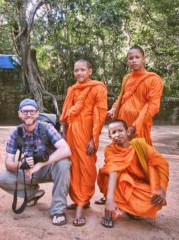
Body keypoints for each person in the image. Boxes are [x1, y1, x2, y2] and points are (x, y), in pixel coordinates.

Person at [0, 98, 71, 226]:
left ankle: (57, 210)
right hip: (28, 172)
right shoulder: (16, 133)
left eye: (31, 111)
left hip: (49, 168)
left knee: (63, 164)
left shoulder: (46, 128)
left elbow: (66, 150)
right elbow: (9, 164)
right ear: (19, 114)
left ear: (37, 113)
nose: (28, 114)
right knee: (2, 178)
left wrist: (40, 164)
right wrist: (22, 164)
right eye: (24, 112)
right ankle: (33, 194)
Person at [60, 59, 107, 226]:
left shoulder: (97, 88)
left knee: (86, 168)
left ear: (90, 71)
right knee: (73, 167)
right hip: (72, 133)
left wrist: (94, 139)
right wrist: (64, 136)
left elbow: (100, 115)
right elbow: (65, 115)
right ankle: (80, 200)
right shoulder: (72, 89)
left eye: (82, 70)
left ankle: (81, 205)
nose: (79, 73)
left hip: (87, 133)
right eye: (76, 70)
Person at [97, 119, 169, 228]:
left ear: (128, 132)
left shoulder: (140, 146)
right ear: (110, 137)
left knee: (155, 199)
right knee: (111, 176)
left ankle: (130, 210)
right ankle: (109, 212)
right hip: (118, 183)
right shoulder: (110, 150)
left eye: (120, 130)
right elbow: (113, 171)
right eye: (113, 132)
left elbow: (162, 164)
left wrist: (162, 189)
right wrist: (110, 199)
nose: (117, 134)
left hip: (137, 184)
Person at [106, 46, 163, 146]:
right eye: (131, 58)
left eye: (137, 57)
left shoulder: (153, 79)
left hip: (139, 123)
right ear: (127, 60)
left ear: (143, 59)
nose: (134, 60)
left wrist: (135, 126)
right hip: (122, 122)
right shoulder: (127, 78)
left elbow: (153, 105)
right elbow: (121, 97)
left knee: (139, 153)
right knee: (121, 154)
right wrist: (113, 109)